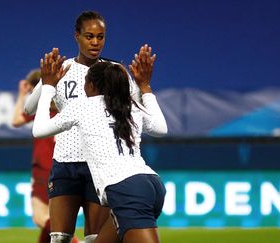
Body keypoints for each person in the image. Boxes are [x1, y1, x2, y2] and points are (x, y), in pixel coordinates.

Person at [24, 11, 140, 243]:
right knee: (58, 238)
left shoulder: (114, 72)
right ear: (77, 36)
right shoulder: (62, 69)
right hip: (65, 163)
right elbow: (29, 109)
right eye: (89, 36)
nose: (95, 42)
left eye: (100, 36)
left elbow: (135, 105)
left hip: (99, 165)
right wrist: (47, 84)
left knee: (94, 239)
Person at [32, 44, 167, 243]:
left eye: (85, 82)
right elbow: (160, 129)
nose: (82, 87)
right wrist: (145, 87)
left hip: (127, 190)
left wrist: (48, 87)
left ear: (93, 85)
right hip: (150, 184)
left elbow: (39, 129)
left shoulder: (83, 106)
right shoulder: (128, 106)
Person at [12, 69, 73, 243]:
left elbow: (16, 120)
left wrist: (21, 95)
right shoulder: (66, 108)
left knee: (41, 218)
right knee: (52, 218)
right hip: (65, 169)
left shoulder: (41, 110)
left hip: (44, 170)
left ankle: (75, 242)